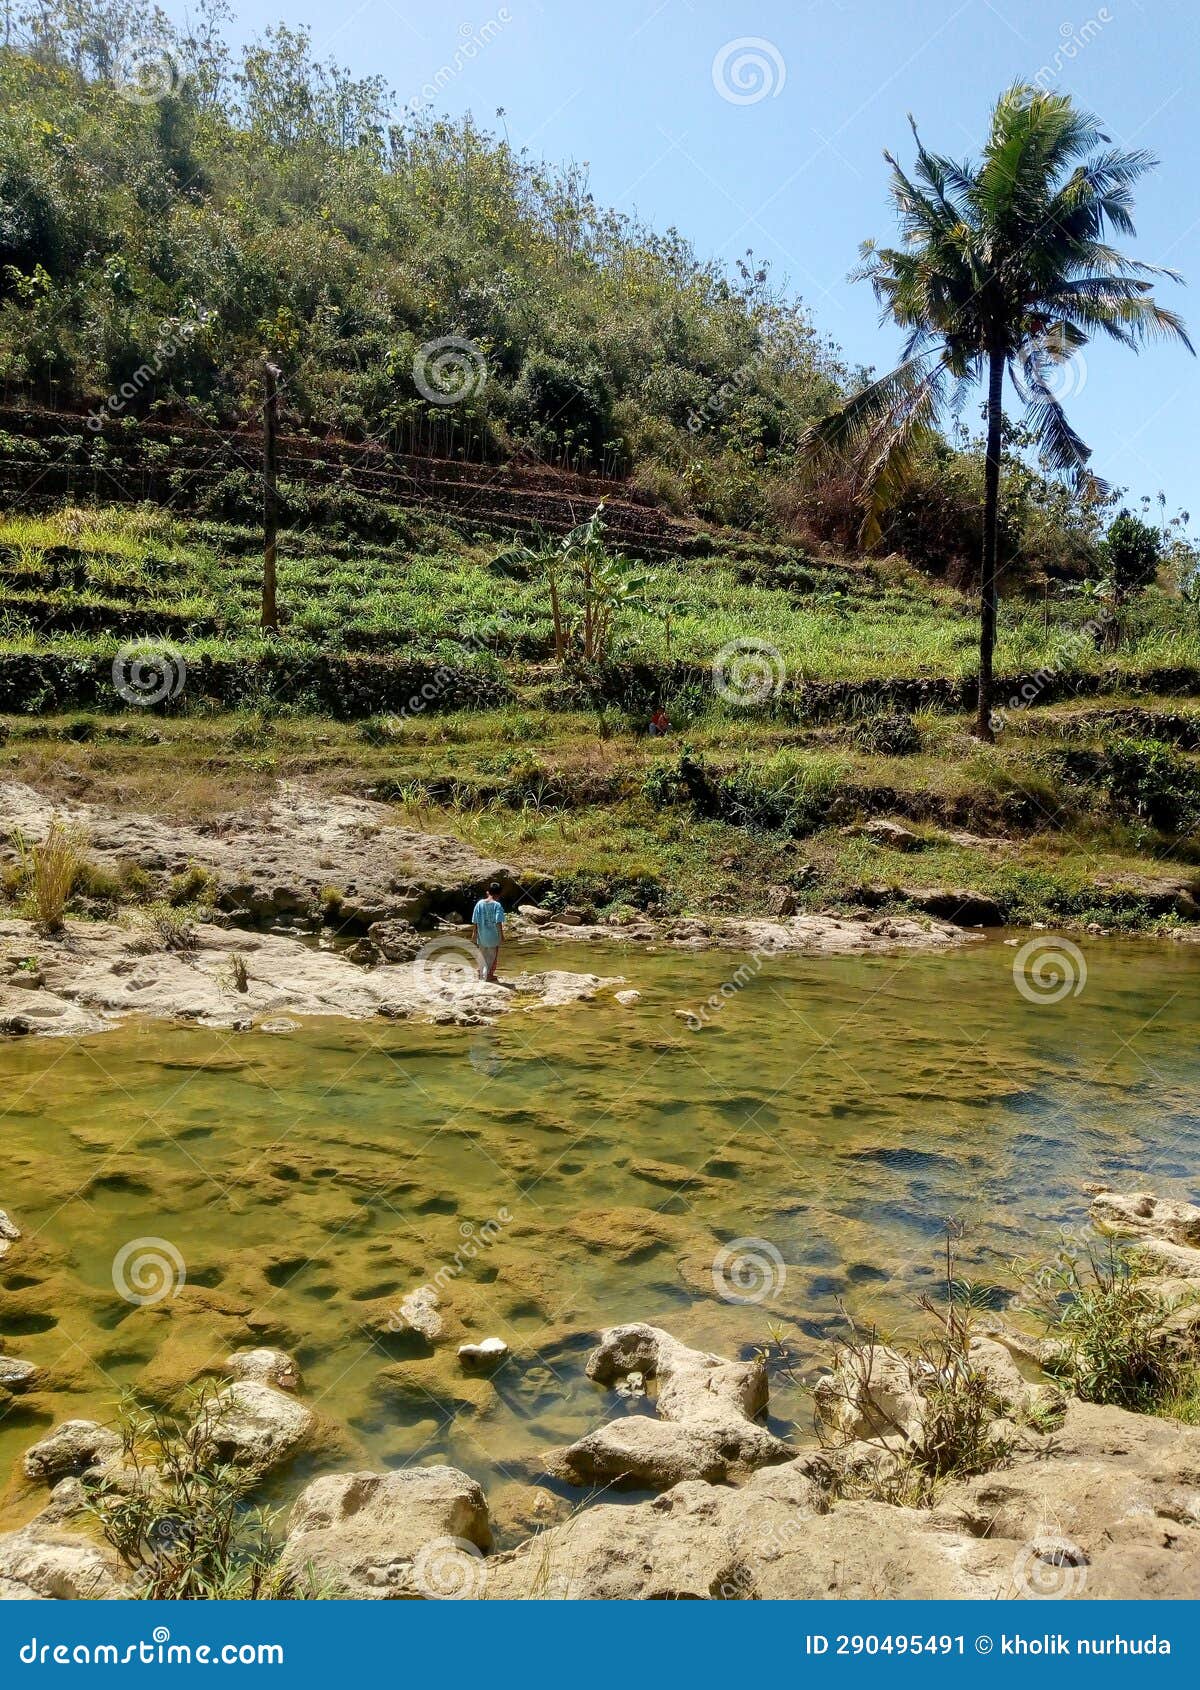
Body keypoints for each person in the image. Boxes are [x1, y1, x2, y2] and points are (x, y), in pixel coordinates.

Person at [471, 882, 506, 982]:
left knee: (481, 954)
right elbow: (498, 922)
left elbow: (475, 920)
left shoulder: (479, 903)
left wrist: (474, 933)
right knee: (491, 956)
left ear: (488, 892)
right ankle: (489, 974)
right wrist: (501, 935)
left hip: (481, 935)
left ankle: (480, 972)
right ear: (498, 894)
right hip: (493, 937)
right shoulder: (497, 905)